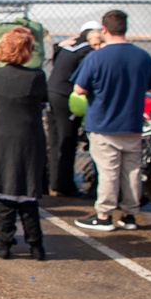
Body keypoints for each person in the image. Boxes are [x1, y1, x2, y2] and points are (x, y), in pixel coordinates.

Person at [73, 10, 151, 232]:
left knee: (108, 171)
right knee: (131, 171)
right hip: (132, 122)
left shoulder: (96, 57)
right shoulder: (142, 56)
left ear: (104, 30)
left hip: (103, 122)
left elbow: (79, 88)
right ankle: (130, 214)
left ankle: (104, 214)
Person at [0, 27, 49, 260]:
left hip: (1, 137)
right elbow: (44, 100)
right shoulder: (37, 77)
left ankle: (4, 245)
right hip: (29, 137)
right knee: (28, 195)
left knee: (6, 194)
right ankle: (36, 247)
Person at [47, 21, 103, 197]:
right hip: (66, 97)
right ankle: (65, 185)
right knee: (68, 140)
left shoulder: (69, 46)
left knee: (55, 141)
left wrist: (57, 46)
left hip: (52, 93)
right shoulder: (88, 51)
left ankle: (54, 182)